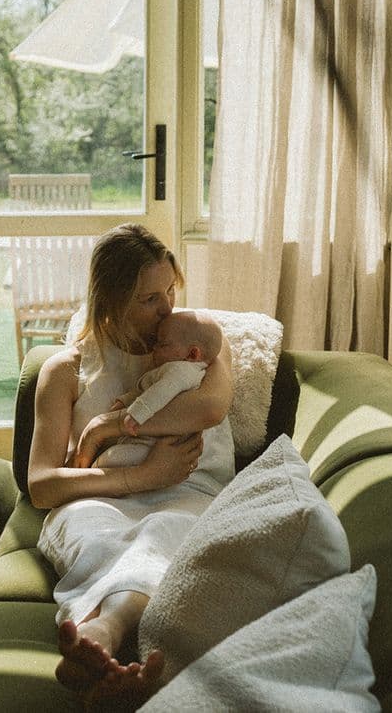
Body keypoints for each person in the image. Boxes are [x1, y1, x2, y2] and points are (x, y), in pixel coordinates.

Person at [27, 224, 234, 706]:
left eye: (170, 291)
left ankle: (97, 637)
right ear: (111, 300)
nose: (167, 309)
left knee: (164, 534)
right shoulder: (66, 370)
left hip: (188, 496)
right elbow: (41, 485)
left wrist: (106, 427)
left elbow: (209, 408)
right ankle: (113, 651)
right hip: (97, 502)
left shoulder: (200, 347)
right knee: (98, 538)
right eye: (149, 299)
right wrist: (141, 476)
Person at [93, 309, 228, 470]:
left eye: (163, 344)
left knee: (109, 459)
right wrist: (125, 400)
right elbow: (146, 390)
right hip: (155, 443)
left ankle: (94, 471)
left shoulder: (182, 370)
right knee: (114, 456)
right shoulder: (176, 369)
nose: (154, 347)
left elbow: (161, 391)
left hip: (163, 445)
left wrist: (137, 413)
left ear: (192, 354)